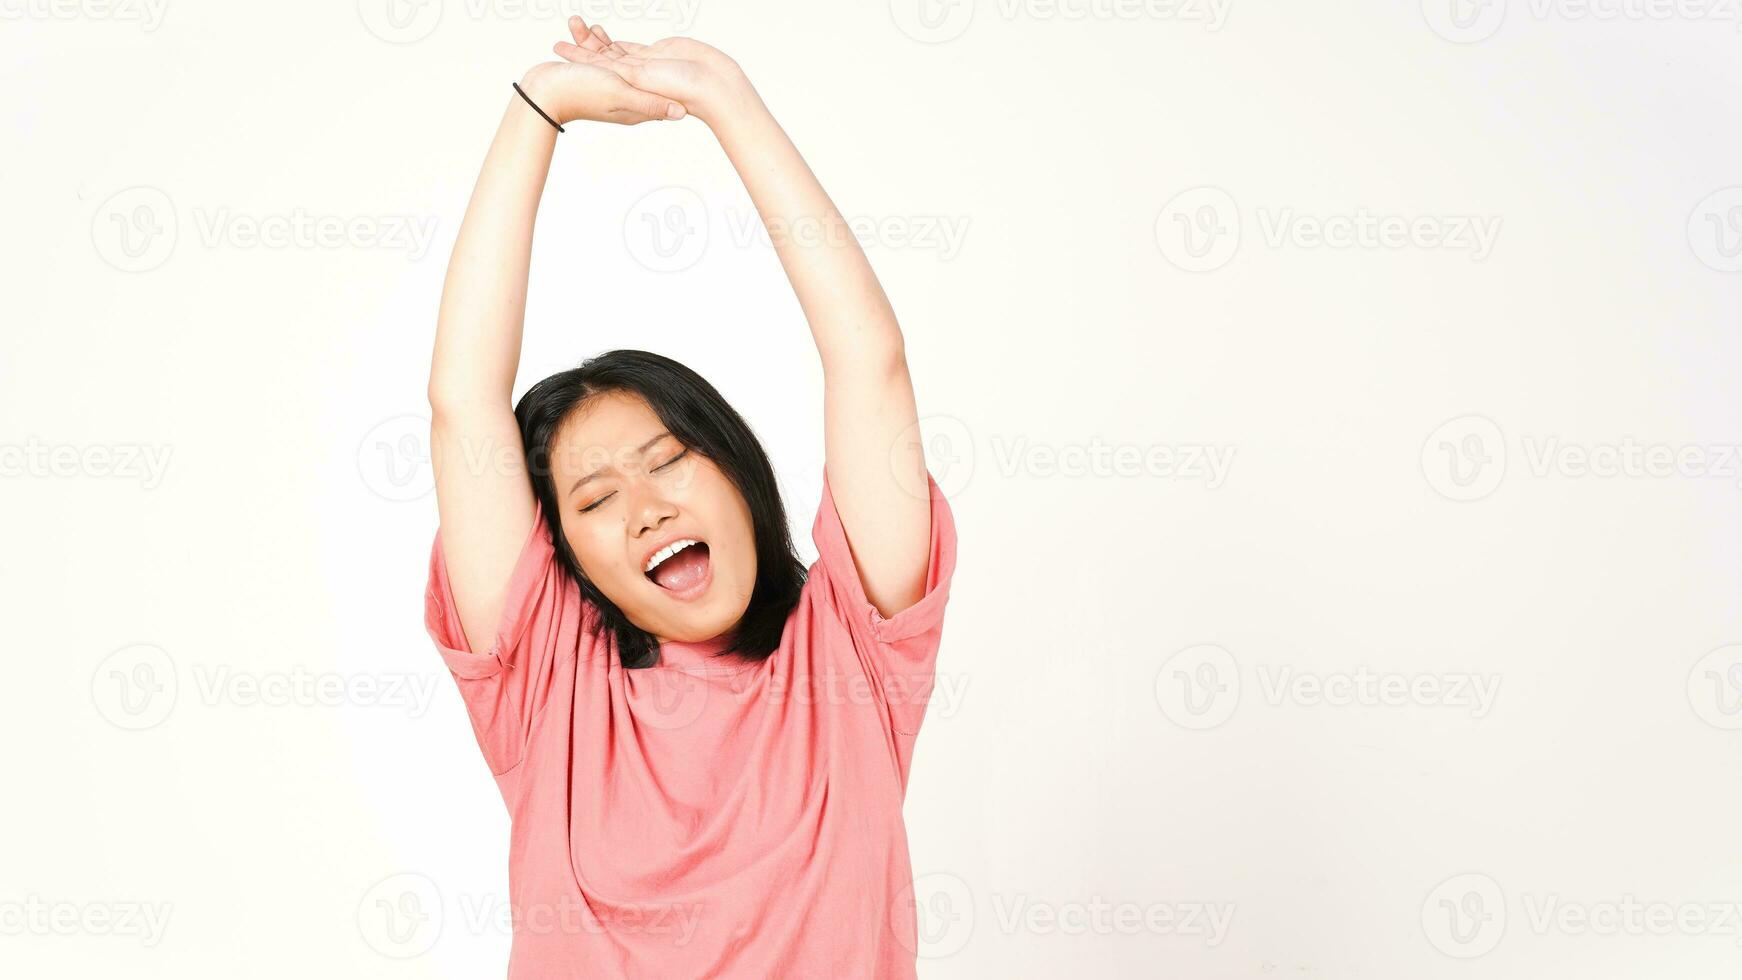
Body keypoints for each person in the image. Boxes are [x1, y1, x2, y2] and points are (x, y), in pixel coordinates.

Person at [422, 16, 959, 978]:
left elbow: (869, 360)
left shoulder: (856, 655)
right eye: (593, 499)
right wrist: (536, 110)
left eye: (667, 458)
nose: (645, 507)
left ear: (734, 469)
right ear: (569, 560)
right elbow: (463, 406)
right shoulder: (548, 685)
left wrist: (727, 101)